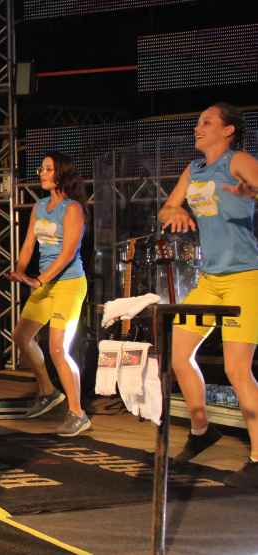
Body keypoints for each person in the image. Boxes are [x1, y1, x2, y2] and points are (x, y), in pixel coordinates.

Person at [158, 102, 258, 488]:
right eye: (198, 121)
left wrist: (252, 193)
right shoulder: (194, 169)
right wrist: (176, 215)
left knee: (236, 369)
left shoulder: (237, 160)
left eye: (207, 122)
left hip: (244, 278)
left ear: (228, 130)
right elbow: (167, 209)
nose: (198, 128)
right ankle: (202, 431)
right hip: (210, 279)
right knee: (177, 354)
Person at [5, 152, 89, 436]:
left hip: (68, 284)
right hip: (44, 285)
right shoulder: (40, 206)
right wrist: (19, 271)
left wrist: (38, 281)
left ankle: (78, 413)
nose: (42, 173)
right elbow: (29, 245)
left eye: (48, 169)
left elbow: (67, 254)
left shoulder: (73, 208)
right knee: (20, 337)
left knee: (57, 348)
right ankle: (48, 391)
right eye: (41, 168)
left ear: (62, 174)